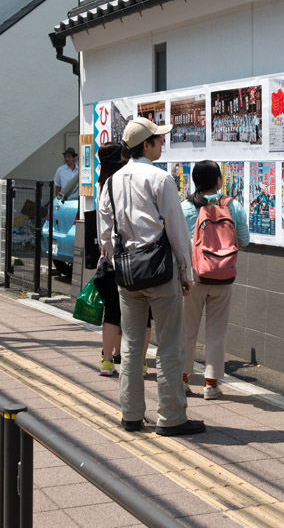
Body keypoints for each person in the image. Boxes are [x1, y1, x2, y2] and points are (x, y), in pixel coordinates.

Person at [96, 117, 204, 437]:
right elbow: (176, 229)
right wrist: (186, 271)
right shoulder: (161, 179)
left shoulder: (111, 183)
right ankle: (171, 417)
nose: (161, 143)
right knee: (169, 346)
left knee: (130, 345)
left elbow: (104, 235)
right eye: (158, 139)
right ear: (146, 145)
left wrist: (119, 261)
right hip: (160, 272)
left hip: (127, 275)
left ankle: (131, 414)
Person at [180, 161, 250, 400]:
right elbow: (245, 240)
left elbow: (176, 241)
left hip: (192, 277)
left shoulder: (186, 207)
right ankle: (211, 384)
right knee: (216, 331)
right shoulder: (234, 206)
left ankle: (183, 380)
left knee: (187, 331)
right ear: (219, 180)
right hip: (223, 276)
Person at [90, 141, 125, 376]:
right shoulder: (122, 183)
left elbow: (103, 225)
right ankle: (129, 357)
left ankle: (108, 359)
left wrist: (104, 249)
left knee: (111, 311)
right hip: (128, 255)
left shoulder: (101, 184)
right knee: (133, 311)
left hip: (109, 255)